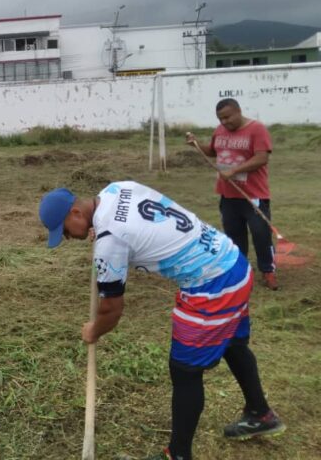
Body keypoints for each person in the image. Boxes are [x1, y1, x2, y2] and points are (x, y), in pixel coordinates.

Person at [39, 181, 284, 460]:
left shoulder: (110, 240)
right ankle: (260, 413)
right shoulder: (115, 189)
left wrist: (93, 330)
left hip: (212, 285)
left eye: (65, 232)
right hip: (230, 260)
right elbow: (135, 221)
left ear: (76, 214)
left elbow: (112, 310)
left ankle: (178, 455)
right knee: (232, 344)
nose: (68, 238)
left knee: (185, 371)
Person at [185, 98, 277, 290]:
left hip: (253, 195)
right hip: (228, 196)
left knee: (261, 234)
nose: (224, 122)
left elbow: (262, 157)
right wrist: (197, 144)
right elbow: (213, 151)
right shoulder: (219, 131)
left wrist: (234, 171)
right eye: (221, 119)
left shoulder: (256, 129)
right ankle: (241, 271)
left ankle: (268, 270)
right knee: (234, 236)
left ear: (238, 111)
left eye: (227, 117)